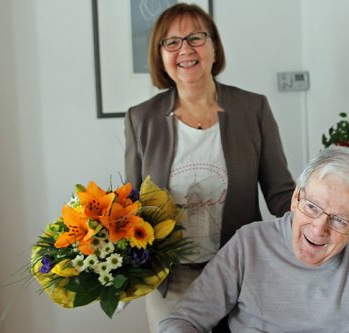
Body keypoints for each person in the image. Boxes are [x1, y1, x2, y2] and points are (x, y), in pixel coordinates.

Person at [124, 3, 295, 332]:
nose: (185, 49)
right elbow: (130, 208)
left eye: (195, 38)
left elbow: (280, 192)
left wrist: (323, 220)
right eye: (171, 42)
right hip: (170, 281)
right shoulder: (140, 119)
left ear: (214, 47)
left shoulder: (253, 108)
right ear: (160, 56)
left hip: (240, 272)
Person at [158, 146, 349, 332]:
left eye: (340, 220)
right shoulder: (249, 244)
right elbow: (182, 320)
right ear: (295, 198)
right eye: (312, 207)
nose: (319, 229)